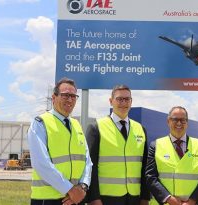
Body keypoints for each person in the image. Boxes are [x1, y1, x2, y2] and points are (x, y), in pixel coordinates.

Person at [28, 77, 92, 205]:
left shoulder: (76, 125)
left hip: (75, 198)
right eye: (65, 95)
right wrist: (69, 189)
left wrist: (83, 187)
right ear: (54, 98)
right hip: (48, 200)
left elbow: (87, 161)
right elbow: (41, 163)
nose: (70, 100)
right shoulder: (40, 123)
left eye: (73, 96)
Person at [85, 85, 150, 205]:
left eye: (127, 99)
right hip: (105, 198)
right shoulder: (96, 127)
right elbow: (90, 167)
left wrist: (145, 197)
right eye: (119, 99)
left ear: (131, 102)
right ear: (111, 101)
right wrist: (93, 198)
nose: (123, 103)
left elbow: (145, 167)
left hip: (134, 198)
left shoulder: (140, 129)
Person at [145, 106, 198, 205]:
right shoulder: (156, 145)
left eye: (183, 120)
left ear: (187, 122)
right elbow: (150, 177)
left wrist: (193, 200)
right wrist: (168, 198)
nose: (179, 123)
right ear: (168, 121)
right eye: (175, 119)